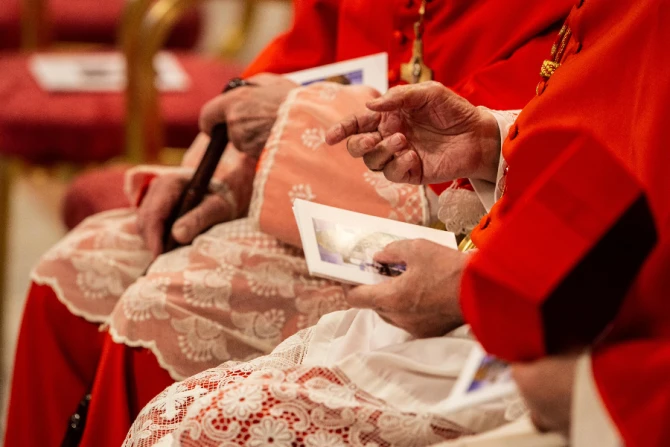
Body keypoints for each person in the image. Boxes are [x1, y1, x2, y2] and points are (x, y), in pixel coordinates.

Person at [4, 1, 574, 446]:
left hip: (445, 228)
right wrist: (224, 169)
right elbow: (300, 56)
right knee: (75, 270)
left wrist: (295, 120)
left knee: (161, 310)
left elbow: (525, 142)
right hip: (300, 190)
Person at [124, 1, 670, 446]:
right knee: (122, 269)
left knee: (171, 331)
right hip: (501, 256)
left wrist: (465, 288)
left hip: (582, 336)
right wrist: (489, 143)